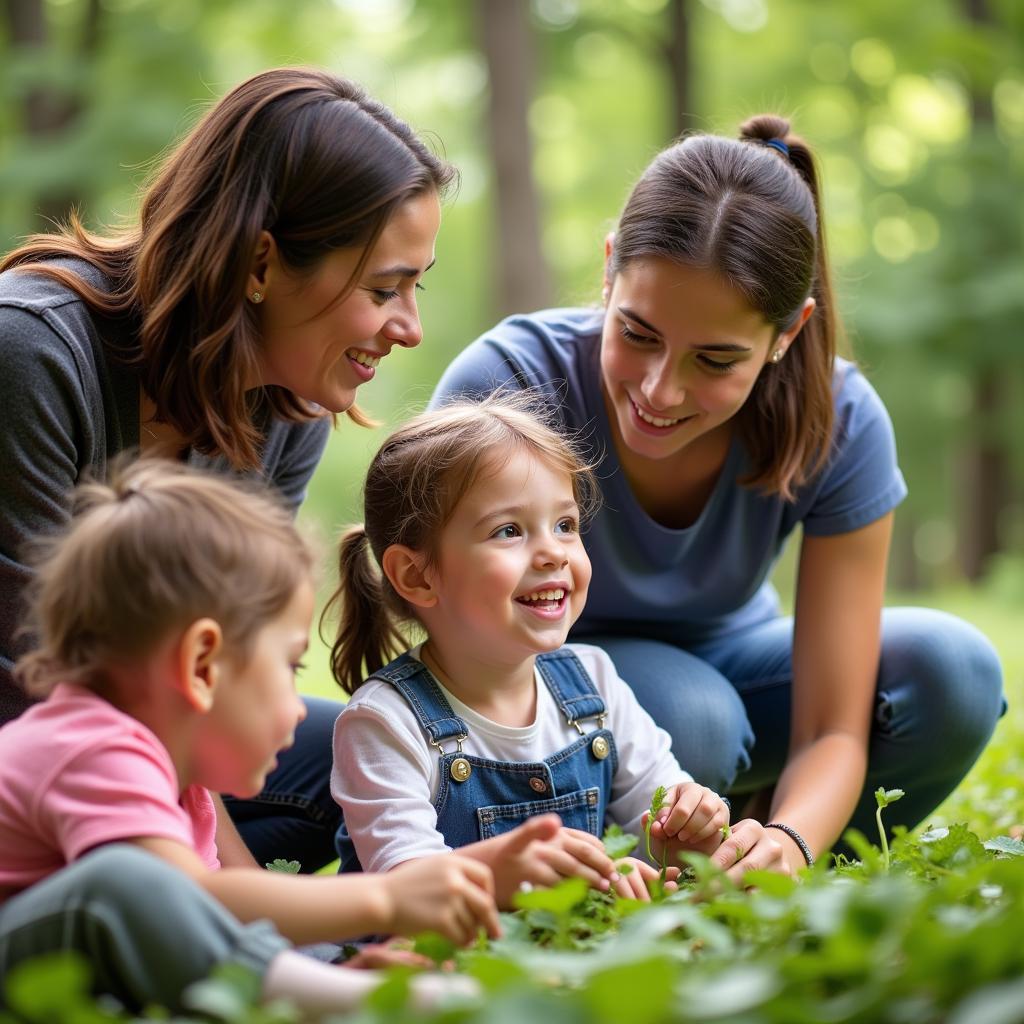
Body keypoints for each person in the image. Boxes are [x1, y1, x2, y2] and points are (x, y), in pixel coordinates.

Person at [429, 115, 1005, 872]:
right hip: (549, 699)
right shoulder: (507, 386)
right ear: (609, 270)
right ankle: (640, 866)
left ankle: (760, 860)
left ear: (789, 332)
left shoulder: (842, 419)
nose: (660, 390)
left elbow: (832, 726)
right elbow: (450, 660)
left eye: (716, 359)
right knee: (689, 718)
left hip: (735, 659)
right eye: (636, 334)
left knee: (952, 667)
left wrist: (795, 843)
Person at [0, 66, 451, 872]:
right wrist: (228, 907)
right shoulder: (32, 357)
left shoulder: (286, 408)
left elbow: (219, 689)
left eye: (417, 286)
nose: (410, 328)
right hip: (36, 760)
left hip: (149, 761)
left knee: (385, 759)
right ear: (260, 263)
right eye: (386, 288)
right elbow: (48, 701)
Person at [0, 459, 507, 1015]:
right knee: (124, 884)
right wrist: (383, 898)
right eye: (289, 666)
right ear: (202, 664)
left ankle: (333, 987)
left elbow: (218, 924)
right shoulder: (91, 746)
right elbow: (189, 901)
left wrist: (334, 963)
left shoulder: (171, 775)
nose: (295, 706)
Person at [326, 393, 778, 908]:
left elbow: (657, 822)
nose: (553, 553)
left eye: (565, 525)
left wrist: (684, 827)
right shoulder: (384, 722)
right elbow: (406, 887)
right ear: (416, 575)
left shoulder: (593, 682)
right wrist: (530, 879)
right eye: (509, 531)